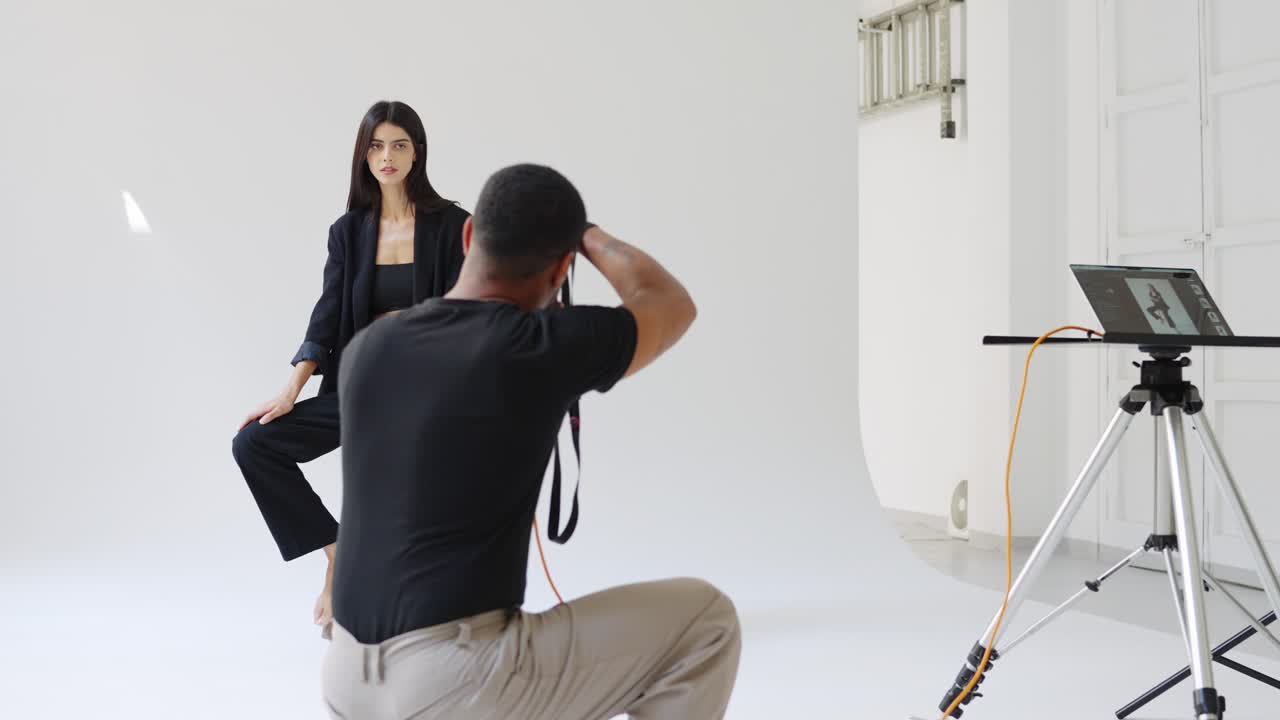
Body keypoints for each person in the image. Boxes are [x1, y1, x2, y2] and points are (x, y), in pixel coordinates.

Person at [321, 164, 741, 720]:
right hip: (453, 682)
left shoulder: (369, 347)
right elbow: (669, 303)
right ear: (562, 267)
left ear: (469, 236)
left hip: (345, 678)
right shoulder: (537, 347)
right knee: (706, 619)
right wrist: (586, 235)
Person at [231, 100, 469, 629]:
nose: (387, 156)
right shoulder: (348, 231)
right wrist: (290, 392)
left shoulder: (454, 225)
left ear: (417, 152)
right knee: (253, 444)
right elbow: (327, 316)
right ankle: (338, 557)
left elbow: (469, 314)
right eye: (376, 146)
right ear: (364, 155)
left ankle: (418, 600)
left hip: (429, 391)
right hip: (361, 387)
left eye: (399, 145)